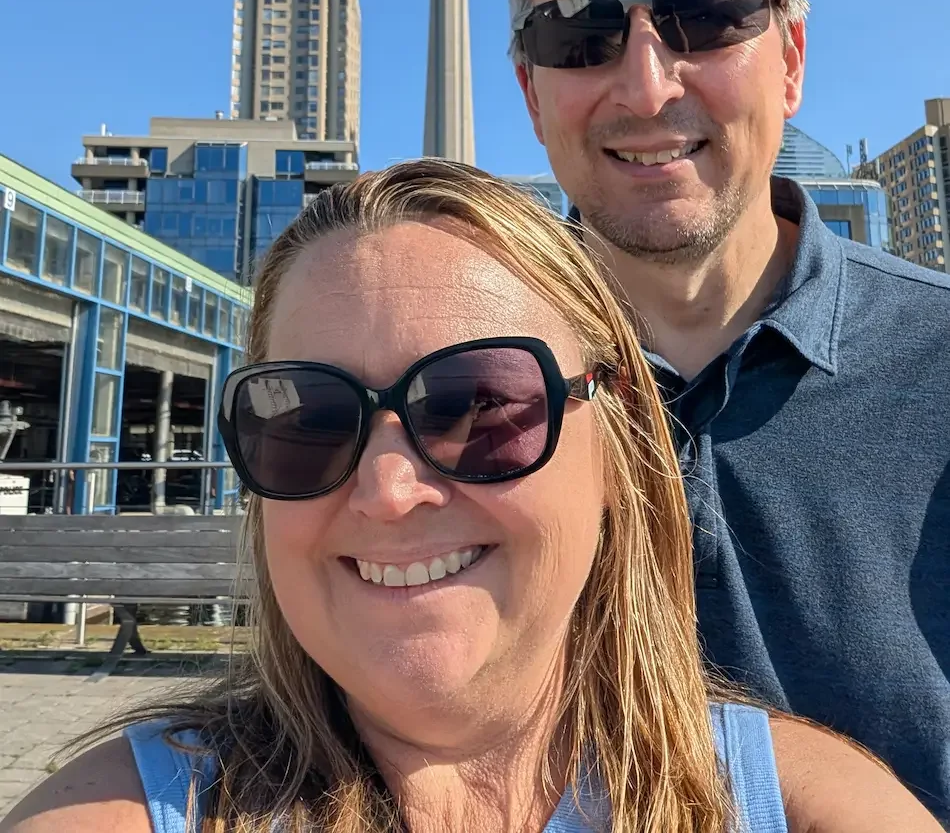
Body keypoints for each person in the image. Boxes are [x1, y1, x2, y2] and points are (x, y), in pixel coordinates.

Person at [2, 162, 938, 833]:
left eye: (481, 404)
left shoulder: (818, 806)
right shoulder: (115, 810)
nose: (387, 489)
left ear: (616, 444)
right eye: (309, 418)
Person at [509, 0, 950, 824]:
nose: (646, 85)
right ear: (533, 95)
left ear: (787, 57)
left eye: (706, 16)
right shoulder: (451, 394)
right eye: (578, 34)